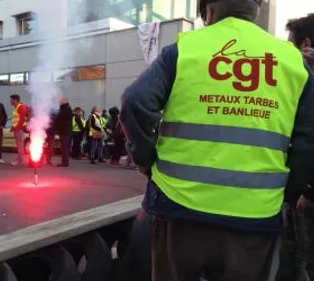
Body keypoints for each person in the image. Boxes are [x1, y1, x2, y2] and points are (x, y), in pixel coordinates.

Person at [120, 0, 314, 280]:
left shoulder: (184, 50)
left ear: (208, 11)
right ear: (255, 9)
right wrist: (288, 189)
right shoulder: (292, 61)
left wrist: (145, 160)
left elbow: (135, 102)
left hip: (179, 209)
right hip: (255, 217)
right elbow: (309, 139)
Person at [276, 14, 314, 281]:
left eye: (290, 43)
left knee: (298, 260)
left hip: (306, 196)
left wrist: (310, 191)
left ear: (306, 44)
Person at [10, 94, 28, 166]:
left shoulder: (20, 107)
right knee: (19, 145)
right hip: (17, 129)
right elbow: (16, 119)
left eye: (11, 100)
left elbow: (22, 119)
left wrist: (16, 127)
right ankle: (20, 160)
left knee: (20, 145)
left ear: (15, 100)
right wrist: (13, 127)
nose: (10, 101)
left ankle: (20, 160)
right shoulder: (16, 107)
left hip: (19, 129)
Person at [56, 98, 73, 167]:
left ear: (65, 101)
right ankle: (64, 161)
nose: (60, 102)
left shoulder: (66, 109)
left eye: (61, 101)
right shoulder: (64, 109)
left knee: (64, 147)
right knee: (64, 147)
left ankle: (65, 162)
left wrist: (58, 116)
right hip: (64, 130)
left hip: (65, 131)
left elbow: (62, 117)